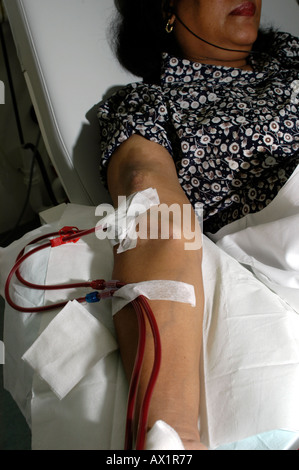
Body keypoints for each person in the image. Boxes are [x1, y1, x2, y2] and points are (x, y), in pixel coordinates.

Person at [97, 0, 299, 450]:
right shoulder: (151, 105)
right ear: (167, 5)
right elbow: (148, 195)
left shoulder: (292, 58)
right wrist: (171, 436)